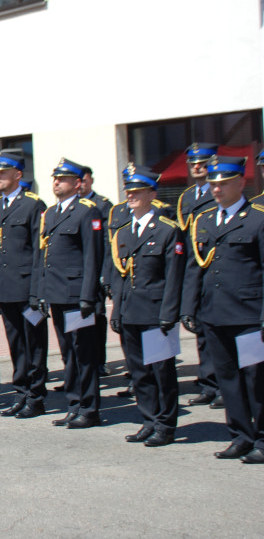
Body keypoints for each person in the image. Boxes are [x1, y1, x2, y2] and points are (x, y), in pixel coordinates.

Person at [181, 156, 264, 463]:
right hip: (214, 314)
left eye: (223, 184)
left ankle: (262, 439)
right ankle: (240, 436)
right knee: (228, 379)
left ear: (241, 182)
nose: (216, 189)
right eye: (214, 184)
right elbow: (194, 268)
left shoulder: (257, 218)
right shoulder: (204, 220)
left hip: (249, 315)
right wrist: (189, 307)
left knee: (256, 380)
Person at [108, 165, 182, 447]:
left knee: (162, 372)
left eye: (138, 191)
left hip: (155, 312)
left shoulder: (166, 230)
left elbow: (174, 276)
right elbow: (120, 276)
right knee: (139, 371)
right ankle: (148, 420)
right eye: (129, 191)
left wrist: (169, 313)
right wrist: (117, 310)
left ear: (153, 193)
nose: (132, 195)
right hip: (131, 312)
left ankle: (165, 424)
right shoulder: (124, 232)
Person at [38, 157, 104, 429]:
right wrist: (41, 292)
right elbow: (44, 257)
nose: (56, 182)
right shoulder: (51, 213)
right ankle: (74, 404)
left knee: (84, 353)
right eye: (55, 178)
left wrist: (89, 296)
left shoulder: (87, 211)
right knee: (68, 353)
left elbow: (92, 257)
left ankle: (89, 409)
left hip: (77, 296)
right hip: (56, 294)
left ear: (77, 184)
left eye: (63, 179)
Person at [0, 149, 48, 418]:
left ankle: (36, 396)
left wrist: (37, 291)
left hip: (26, 287)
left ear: (18, 174)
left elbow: (39, 251)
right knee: (16, 344)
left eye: (2, 172)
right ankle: (21, 393)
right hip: (6, 287)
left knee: (34, 344)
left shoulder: (34, 205)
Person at [176, 143, 223, 408]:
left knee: (222, 336)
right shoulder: (187, 197)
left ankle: (224, 387)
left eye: (202, 162)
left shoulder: (218, 194)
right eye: (193, 163)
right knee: (203, 333)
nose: (197, 167)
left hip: (216, 268)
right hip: (195, 271)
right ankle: (208, 383)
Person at [80, 165, 114, 376]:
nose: (81, 184)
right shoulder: (74, 207)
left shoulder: (102, 205)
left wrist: (104, 272)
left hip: (97, 268)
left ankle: (99, 360)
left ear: (91, 180)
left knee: (97, 316)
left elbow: (107, 242)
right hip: (78, 272)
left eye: (84, 180)